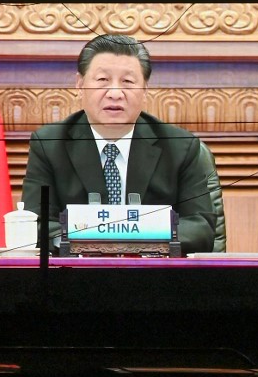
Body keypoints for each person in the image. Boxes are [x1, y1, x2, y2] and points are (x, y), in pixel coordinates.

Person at [20, 34, 216, 255]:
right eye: (102, 80)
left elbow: (201, 229)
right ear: (80, 84)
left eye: (128, 82)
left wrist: (133, 238)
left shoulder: (180, 147)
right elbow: (35, 224)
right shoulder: (49, 144)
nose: (115, 93)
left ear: (145, 89)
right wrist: (99, 241)